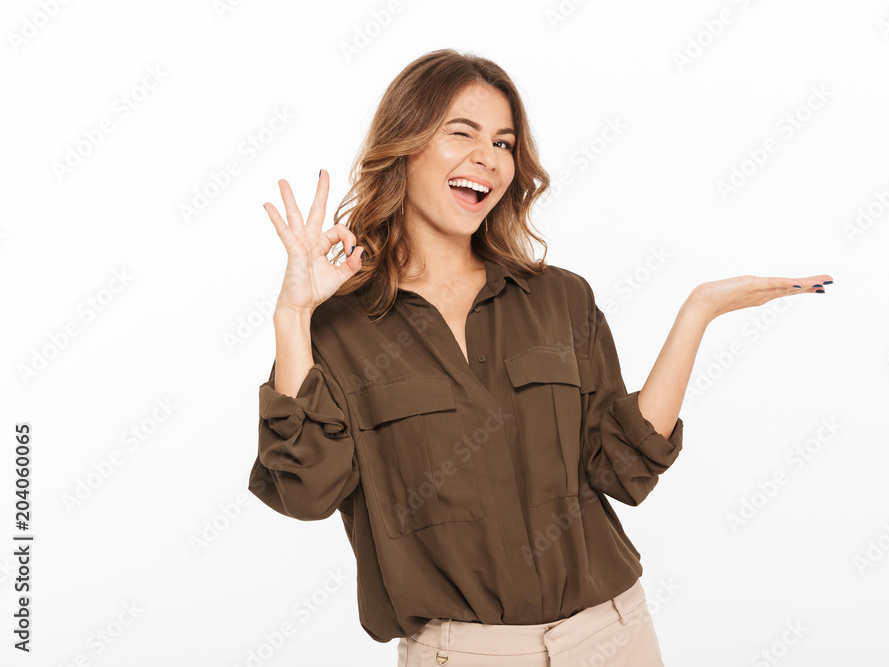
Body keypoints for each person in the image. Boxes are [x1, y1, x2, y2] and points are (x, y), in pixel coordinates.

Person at [249, 48, 833, 666]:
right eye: (462, 133)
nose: (487, 157)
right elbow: (305, 491)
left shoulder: (559, 298)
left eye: (503, 143)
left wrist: (697, 313)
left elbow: (622, 469)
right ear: (406, 144)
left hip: (613, 637)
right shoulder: (340, 327)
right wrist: (294, 316)